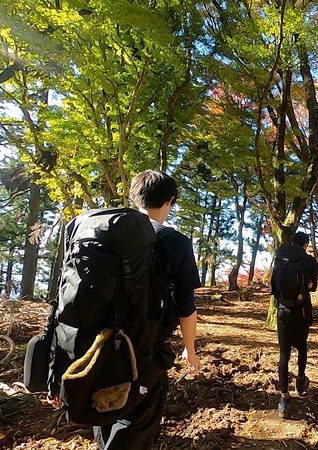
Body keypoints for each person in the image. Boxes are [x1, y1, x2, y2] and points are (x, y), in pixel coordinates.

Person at [93, 170, 202, 450]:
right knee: (136, 426)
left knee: (105, 415)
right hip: (143, 352)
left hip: (95, 347)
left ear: (134, 197)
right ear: (170, 201)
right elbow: (186, 304)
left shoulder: (102, 232)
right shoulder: (174, 242)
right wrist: (190, 348)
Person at [274, 232, 318, 419]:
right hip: (301, 310)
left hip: (282, 310)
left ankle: (284, 398)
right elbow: (313, 287)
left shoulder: (281, 257)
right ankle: (300, 380)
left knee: (284, 354)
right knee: (301, 346)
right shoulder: (307, 260)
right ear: (305, 244)